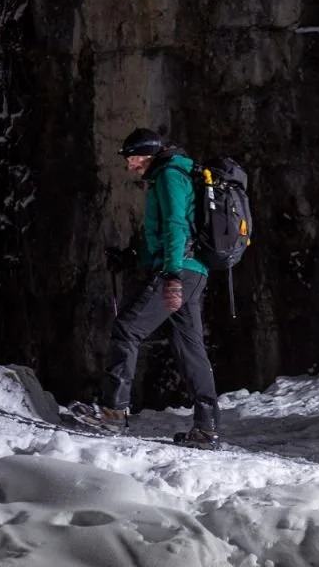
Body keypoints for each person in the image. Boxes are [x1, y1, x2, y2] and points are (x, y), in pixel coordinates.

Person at [86, 127, 220, 449]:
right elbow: (162, 236)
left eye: (132, 158)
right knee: (190, 349)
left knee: (127, 329)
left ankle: (113, 413)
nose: (130, 166)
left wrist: (172, 275)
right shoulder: (170, 175)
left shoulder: (171, 176)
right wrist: (132, 257)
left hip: (180, 271)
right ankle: (207, 429)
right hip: (193, 271)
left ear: (147, 154)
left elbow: (175, 227)